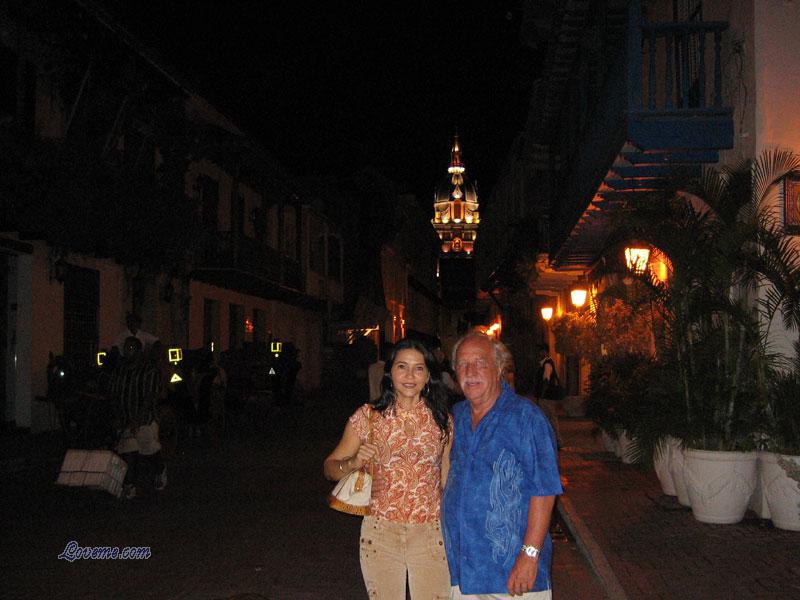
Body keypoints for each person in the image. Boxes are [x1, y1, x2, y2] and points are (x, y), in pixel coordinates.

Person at [324, 338, 452, 600]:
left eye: (418, 368)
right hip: (381, 531)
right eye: (402, 366)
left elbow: (445, 480)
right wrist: (353, 463)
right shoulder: (368, 416)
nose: (410, 376)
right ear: (390, 372)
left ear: (428, 376)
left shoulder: (443, 421)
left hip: (429, 532)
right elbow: (329, 468)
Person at [443, 332, 562, 599]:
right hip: (462, 571)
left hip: (510, 576)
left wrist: (529, 555)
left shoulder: (526, 418)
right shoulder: (457, 417)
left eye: (480, 362)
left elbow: (545, 491)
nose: (470, 372)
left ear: (498, 368)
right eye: (462, 364)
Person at [109, 336, 166, 499]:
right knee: (129, 453)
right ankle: (130, 485)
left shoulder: (149, 371)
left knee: (149, 451)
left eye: (131, 349)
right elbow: (114, 394)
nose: (128, 352)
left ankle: (160, 470)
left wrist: (137, 420)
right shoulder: (120, 371)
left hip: (144, 419)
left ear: (139, 351)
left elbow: (149, 397)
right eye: (126, 349)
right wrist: (117, 415)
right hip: (126, 419)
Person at [533, 344, 561, 448]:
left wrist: (542, 395)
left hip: (547, 397)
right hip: (547, 396)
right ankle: (554, 440)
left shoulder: (547, 364)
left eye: (541, 351)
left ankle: (556, 440)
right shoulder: (545, 363)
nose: (540, 354)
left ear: (545, 352)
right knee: (550, 418)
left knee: (549, 418)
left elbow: (546, 380)